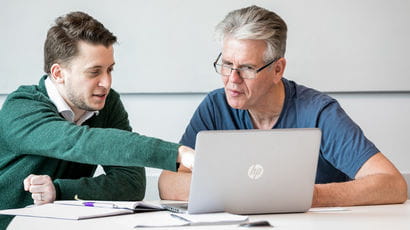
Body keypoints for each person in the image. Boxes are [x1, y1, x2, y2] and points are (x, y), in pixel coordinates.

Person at [158, 5, 407, 206]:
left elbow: (393, 184)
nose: (232, 79)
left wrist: (313, 196)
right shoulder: (215, 106)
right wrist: (244, 192)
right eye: (226, 64)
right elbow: (167, 183)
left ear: (278, 69)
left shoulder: (319, 113)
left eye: (246, 68)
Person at [0, 11, 194, 228]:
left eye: (109, 70)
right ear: (58, 73)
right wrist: (177, 153)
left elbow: (131, 182)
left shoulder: (106, 103)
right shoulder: (21, 107)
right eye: (94, 72)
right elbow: (77, 142)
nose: (106, 82)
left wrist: (60, 190)